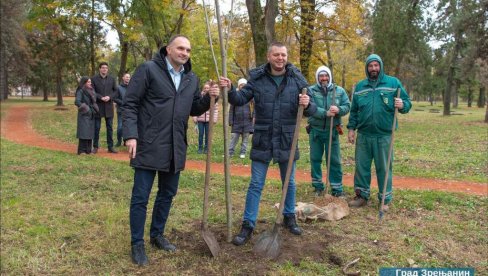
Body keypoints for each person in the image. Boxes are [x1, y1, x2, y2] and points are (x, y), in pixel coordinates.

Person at [123, 35, 220, 266]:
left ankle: (157, 234)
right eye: (180, 48)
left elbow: (194, 108)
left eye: (188, 49)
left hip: (175, 146)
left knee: (167, 194)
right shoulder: (148, 69)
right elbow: (130, 103)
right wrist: (131, 135)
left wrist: (209, 98)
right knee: (140, 197)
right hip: (148, 143)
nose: (184, 53)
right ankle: (137, 244)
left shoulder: (190, 78)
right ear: (168, 49)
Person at [219, 41, 317, 246]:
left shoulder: (297, 80)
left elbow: (312, 108)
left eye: (283, 55)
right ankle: (248, 225)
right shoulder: (257, 79)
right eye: (276, 55)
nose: (280, 58)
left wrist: (307, 105)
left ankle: (289, 216)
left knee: (289, 182)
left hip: (287, 138)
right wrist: (228, 89)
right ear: (269, 56)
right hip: (263, 138)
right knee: (256, 184)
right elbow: (239, 99)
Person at [346, 54, 412, 211]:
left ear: (380, 66)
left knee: (384, 167)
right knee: (361, 166)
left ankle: (384, 199)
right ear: (367, 68)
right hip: (364, 135)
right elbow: (354, 111)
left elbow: (407, 103)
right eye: (370, 66)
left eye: (376, 65)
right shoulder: (361, 87)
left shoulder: (392, 83)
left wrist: (402, 104)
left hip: (384, 135)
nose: (373, 68)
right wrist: (351, 129)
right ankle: (361, 196)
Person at [307, 66, 350, 197]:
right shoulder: (311, 91)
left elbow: (347, 106)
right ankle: (318, 187)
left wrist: (338, 110)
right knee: (315, 159)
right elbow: (310, 108)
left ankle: (337, 189)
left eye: (326, 76)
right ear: (317, 77)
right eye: (321, 76)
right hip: (316, 131)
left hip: (332, 131)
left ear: (330, 77)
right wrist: (325, 113)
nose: (324, 78)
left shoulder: (339, 91)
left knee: (334, 160)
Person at [91, 62, 118, 154]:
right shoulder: (94, 79)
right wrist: (100, 97)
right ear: (99, 69)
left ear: (107, 69)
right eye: (102, 68)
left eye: (106, 68)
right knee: (96, 128)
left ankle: (110, 147)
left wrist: (110, 97)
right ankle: (95, 147)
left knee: (110, 128)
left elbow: (115, 91)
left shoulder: (112, 79)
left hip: (109, 106)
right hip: (98, 106)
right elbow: (92, 91)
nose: (104, 69)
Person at [228, 78, 254, 159]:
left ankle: (243, 152)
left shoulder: (251, 98)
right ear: (239, 86)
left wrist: (253, 118)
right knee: (234, 138)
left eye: (244, 85)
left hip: (247, 122)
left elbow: (254, 109)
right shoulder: (235, 96)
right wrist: (231, 121)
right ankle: (230, 152)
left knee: (245, 139)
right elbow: (231, 111)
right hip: (236, 123)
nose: (242, 86)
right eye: (241, 85)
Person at [192, 81, 219, 154]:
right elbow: (195, 106)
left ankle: (206, 148)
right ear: (203, 88)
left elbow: (215, 110)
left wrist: (214, 119)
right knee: (200, 134)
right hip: (200, 120)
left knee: (208, 135)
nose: (206, 89)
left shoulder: (213, 97)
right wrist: (194, 117)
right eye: (205, 88)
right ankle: (200, 148)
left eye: (208, 88)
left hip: (209, 120)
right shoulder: (199, 96)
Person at [74, 77, 99, 154]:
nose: (90, 83)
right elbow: (77, 101)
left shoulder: (92, 90)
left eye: (90, 82)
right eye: (88, 82)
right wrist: (86, 108)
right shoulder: (80, 90)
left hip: (91, 114)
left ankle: (88, 150)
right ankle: (82, 151)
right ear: (84, 82)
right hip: (84, 114)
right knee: (83, 132)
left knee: (90, 132)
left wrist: (94, 108)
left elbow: (94, 100)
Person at [114, 73, 131, 147]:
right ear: (123, 78)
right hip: (121, 110)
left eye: (129, 77)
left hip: (130, 110)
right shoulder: (118, 88)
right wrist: (123, 102)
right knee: (120, 127)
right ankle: (119, 141)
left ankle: (125, 141)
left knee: (128, 126)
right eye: (126, 77)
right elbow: (115, 98)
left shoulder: (132, 87)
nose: (128, 78)